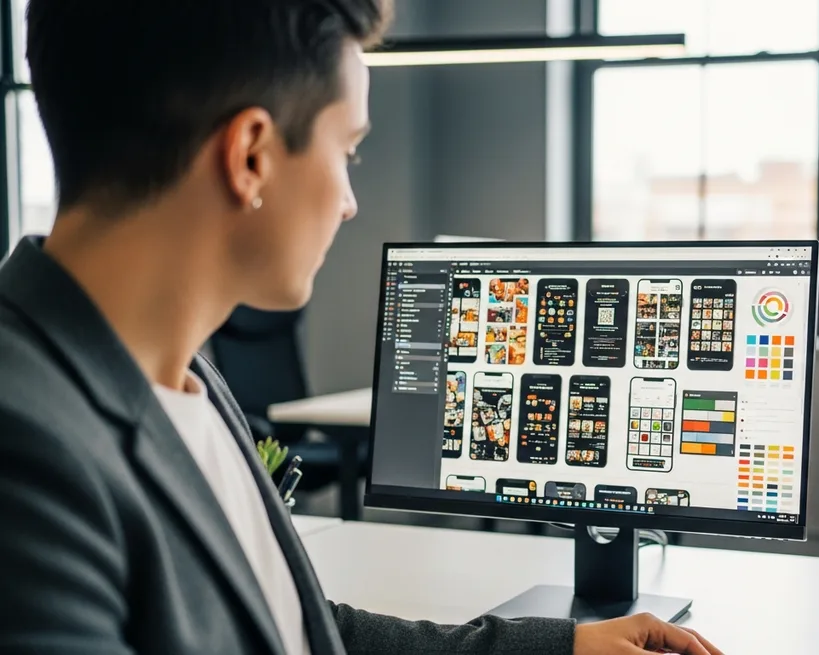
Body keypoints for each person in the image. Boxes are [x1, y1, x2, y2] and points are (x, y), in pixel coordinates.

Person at [0, 2, 723, 654]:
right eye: (347, 150)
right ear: (251, 156)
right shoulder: (28, 449)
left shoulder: (188, 380)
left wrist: (559, 648)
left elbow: (300, 626)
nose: (349, 201)